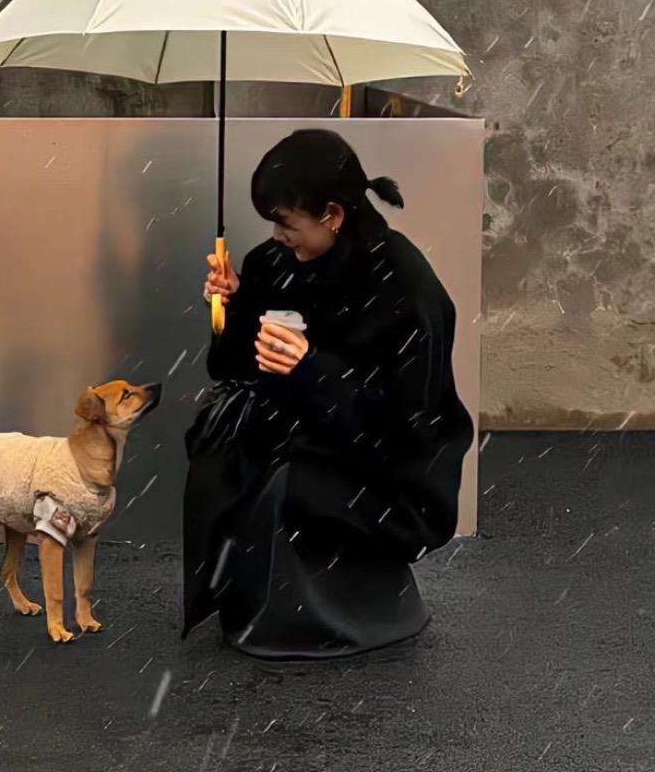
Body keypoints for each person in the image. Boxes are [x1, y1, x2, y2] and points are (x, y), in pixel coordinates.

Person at [182, 128, 474, 660]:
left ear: (333, 215)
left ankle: (308, 615)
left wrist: (311, 369)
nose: (276, 236)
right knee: (219, 441)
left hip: (387, 466)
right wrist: (233, 308)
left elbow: (407, 422)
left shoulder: (405, 286)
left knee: (286, 481)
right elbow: (230, 369)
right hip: (303, 425)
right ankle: (251, 602)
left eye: (287, 223)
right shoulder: (274, 262)